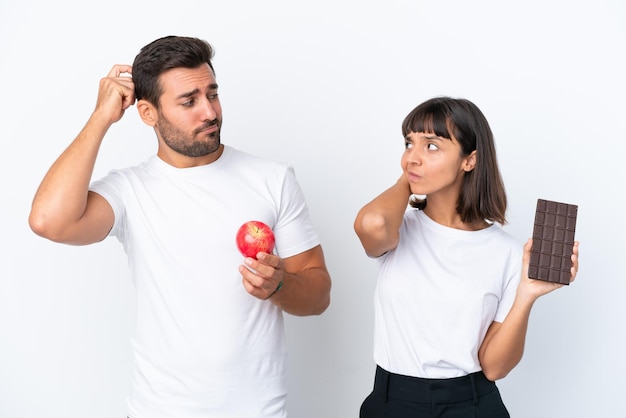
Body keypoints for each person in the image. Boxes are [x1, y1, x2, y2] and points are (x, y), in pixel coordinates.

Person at [28, 35, 331, 418]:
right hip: (159, 409)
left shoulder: (272, 179)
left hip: (258, 411)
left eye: (213, 94)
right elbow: (48, 221)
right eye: (189, 101)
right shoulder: (129, 190)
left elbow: (319, 295)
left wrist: (280, 285)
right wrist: (100, 117)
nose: (209, 112)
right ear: (148, 113)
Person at [354, 97, 580, 417]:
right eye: (409, 143)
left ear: (469, 160)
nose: (412, 157)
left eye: (431, 146)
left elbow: (494, 367)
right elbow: (372, 225)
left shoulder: (506, 253)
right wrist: (410, 176)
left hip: (471, 404)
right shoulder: (396, 231)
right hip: (393, 401)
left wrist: (528, 294)